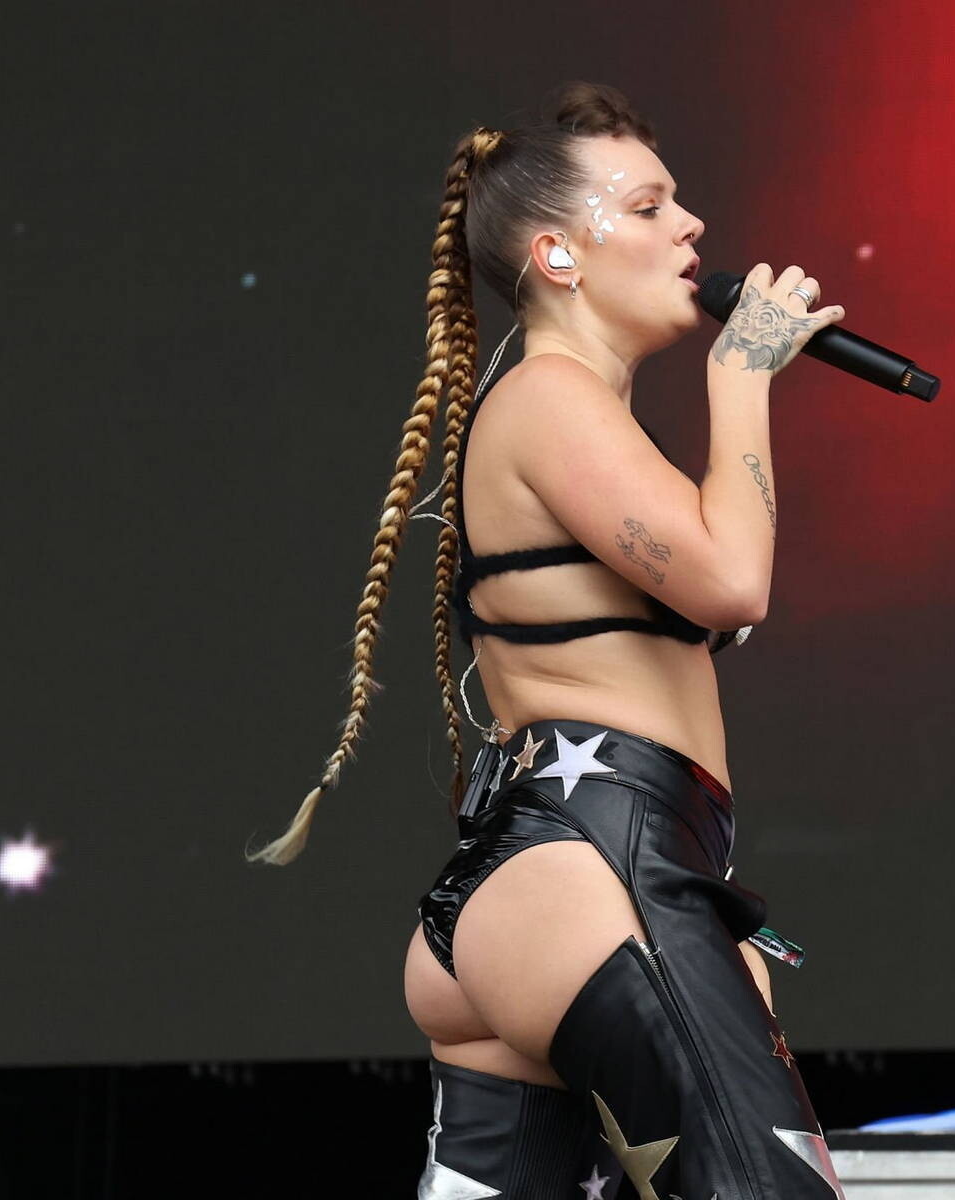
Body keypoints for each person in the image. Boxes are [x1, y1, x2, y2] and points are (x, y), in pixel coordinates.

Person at [246, 82, 849, 1198]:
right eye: (649, 206)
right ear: (558, 256)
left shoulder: (570, 412)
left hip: (558, 884)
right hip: (598, 875)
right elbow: (731, 580)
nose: (692, 226)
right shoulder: (550, 398)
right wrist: (743, 378)